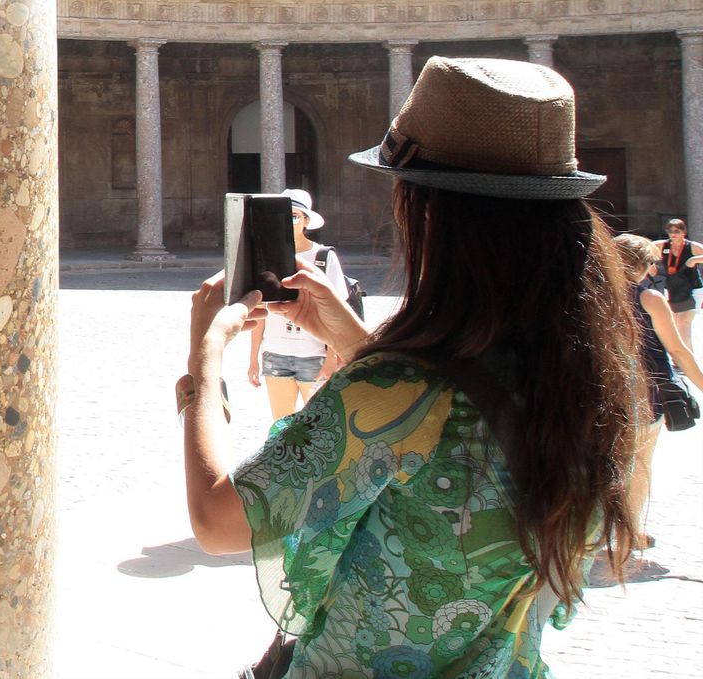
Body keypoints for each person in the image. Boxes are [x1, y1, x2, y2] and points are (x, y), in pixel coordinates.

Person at [182, 57, 645, 678]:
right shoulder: (592, 377)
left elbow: (216, 522)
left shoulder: (396, 389)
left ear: (430, 214)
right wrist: (352, 337)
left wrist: (203, 363)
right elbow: (454, 408)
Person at [611, 233, 703, 551]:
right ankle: (630, 533)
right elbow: (676, 350)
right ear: (643, 265)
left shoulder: (591, 293)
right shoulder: (648, 298)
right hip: (642, 392)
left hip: (599, 390)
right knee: (638, 463)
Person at [246, 188, 346, 420]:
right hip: (275, 353)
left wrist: (331, 358)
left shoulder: (323, 257)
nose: (288, 223)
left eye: (294, 216)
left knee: (316, 427)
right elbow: (260, 310)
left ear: (306, 221)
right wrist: (253, 359)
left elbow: (337, 311)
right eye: (283, 217)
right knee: (281, 426)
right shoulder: (264, 257)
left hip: (314, 354)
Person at [657, 217, 702, 349]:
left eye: (676, 231)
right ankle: (682, 355)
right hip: (672, 289)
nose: (673, 234)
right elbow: (643, 248)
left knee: (684, 322)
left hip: (692, 289)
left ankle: (684, 355)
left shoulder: (691, 246)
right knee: (674, 323)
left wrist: (694, 260)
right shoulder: (663, 245)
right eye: (670, 231)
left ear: (684, 232)